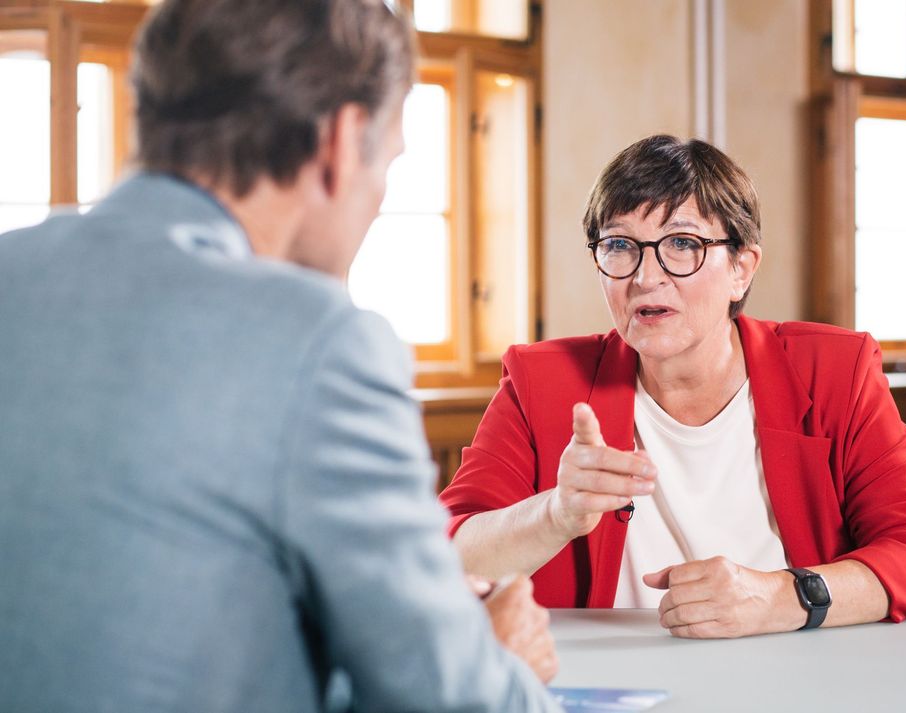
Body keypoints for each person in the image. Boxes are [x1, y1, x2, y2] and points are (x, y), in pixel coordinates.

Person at [0, 1, 560, 711]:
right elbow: (448, 699)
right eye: (388, 162)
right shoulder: (321, 342)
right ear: (341, 140)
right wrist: (496, 660)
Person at [440, 134, 906, 638]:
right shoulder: (541, 381)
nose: (646, 276)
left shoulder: (833, 371)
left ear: (741, 267)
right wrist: (555, 513)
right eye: (620, 245)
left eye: (682, 244)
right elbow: (446, 557)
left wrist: (781, 598)